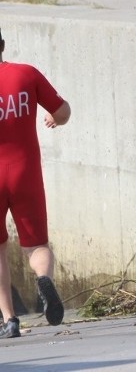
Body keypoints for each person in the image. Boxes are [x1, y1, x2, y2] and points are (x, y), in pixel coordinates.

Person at [0, 27, 70, 338]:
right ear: (2, 44)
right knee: (37, 244)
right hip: (25, 171)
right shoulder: (26, 74)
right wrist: (56, 118)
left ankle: (9, 319)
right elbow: (63, 110)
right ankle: (43, 278)